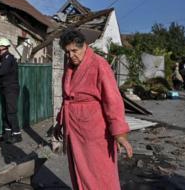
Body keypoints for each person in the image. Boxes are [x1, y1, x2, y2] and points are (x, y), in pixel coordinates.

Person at [53, 29, 132, 190]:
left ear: (85, 47)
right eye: (67, 52)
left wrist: (119, 133)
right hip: (74, 130)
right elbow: (67, 98)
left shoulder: (99, 65)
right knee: (78, 170)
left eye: (75, 50)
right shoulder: (69, 68)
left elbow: (113, 101)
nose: (71, 56)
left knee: (99, 172)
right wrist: (60, 122)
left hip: (94, 131)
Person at [0, 38, 22, 144]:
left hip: (10, 88)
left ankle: (17, 135)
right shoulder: (3, 58)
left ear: (2, 47)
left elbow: (1, 71)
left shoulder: (8, 57)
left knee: (11, 111)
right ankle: (7, 134)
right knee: (6, 111)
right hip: (5, 87)